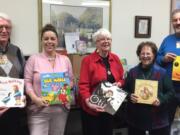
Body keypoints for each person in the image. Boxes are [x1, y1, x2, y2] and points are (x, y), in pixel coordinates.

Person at [24, 24, 74, 135]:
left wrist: (65, 89)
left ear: (57, 41)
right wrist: (35, 98)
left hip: (60, 110)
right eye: (46, 39)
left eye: (52, 38)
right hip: (38, 110)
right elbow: (27, 82)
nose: (49, 41)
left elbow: (71, 80)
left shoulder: (65, 60)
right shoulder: (33, 59)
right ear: (41, 41)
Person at [78, 28, 124, 135]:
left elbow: (122, 79)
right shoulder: (87, 60)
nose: (106, 41)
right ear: (96, 43)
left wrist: (119, 83)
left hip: (109, 108)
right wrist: (88, 102)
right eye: (102, 39)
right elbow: (83, 85)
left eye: (108, 39)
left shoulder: (116, 58)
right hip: (92, 110)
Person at [124, 41, 174, 135]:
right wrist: (130, 96)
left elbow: (171, 92)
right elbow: (124, 90)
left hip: (158, 120)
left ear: (154, 55)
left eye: (148, 53)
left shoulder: (162, 73)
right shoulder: (132, 72)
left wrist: (161, 99)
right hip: (136, 120)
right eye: (142, 53)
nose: (145, 56)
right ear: (139, 55)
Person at [0, 12, 29, 135]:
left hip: (14, 108)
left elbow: (24, 76)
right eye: (0, 27)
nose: (4, 30)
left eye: (7, 27)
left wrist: (24, 96)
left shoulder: (16, 51)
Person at [156, 9, 180, 126]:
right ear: (172, 22)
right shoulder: (167, 40)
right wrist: (164, 59)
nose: (178, 22)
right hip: (169, 90)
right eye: (175, 20)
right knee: (166, 123)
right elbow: (157, 59)